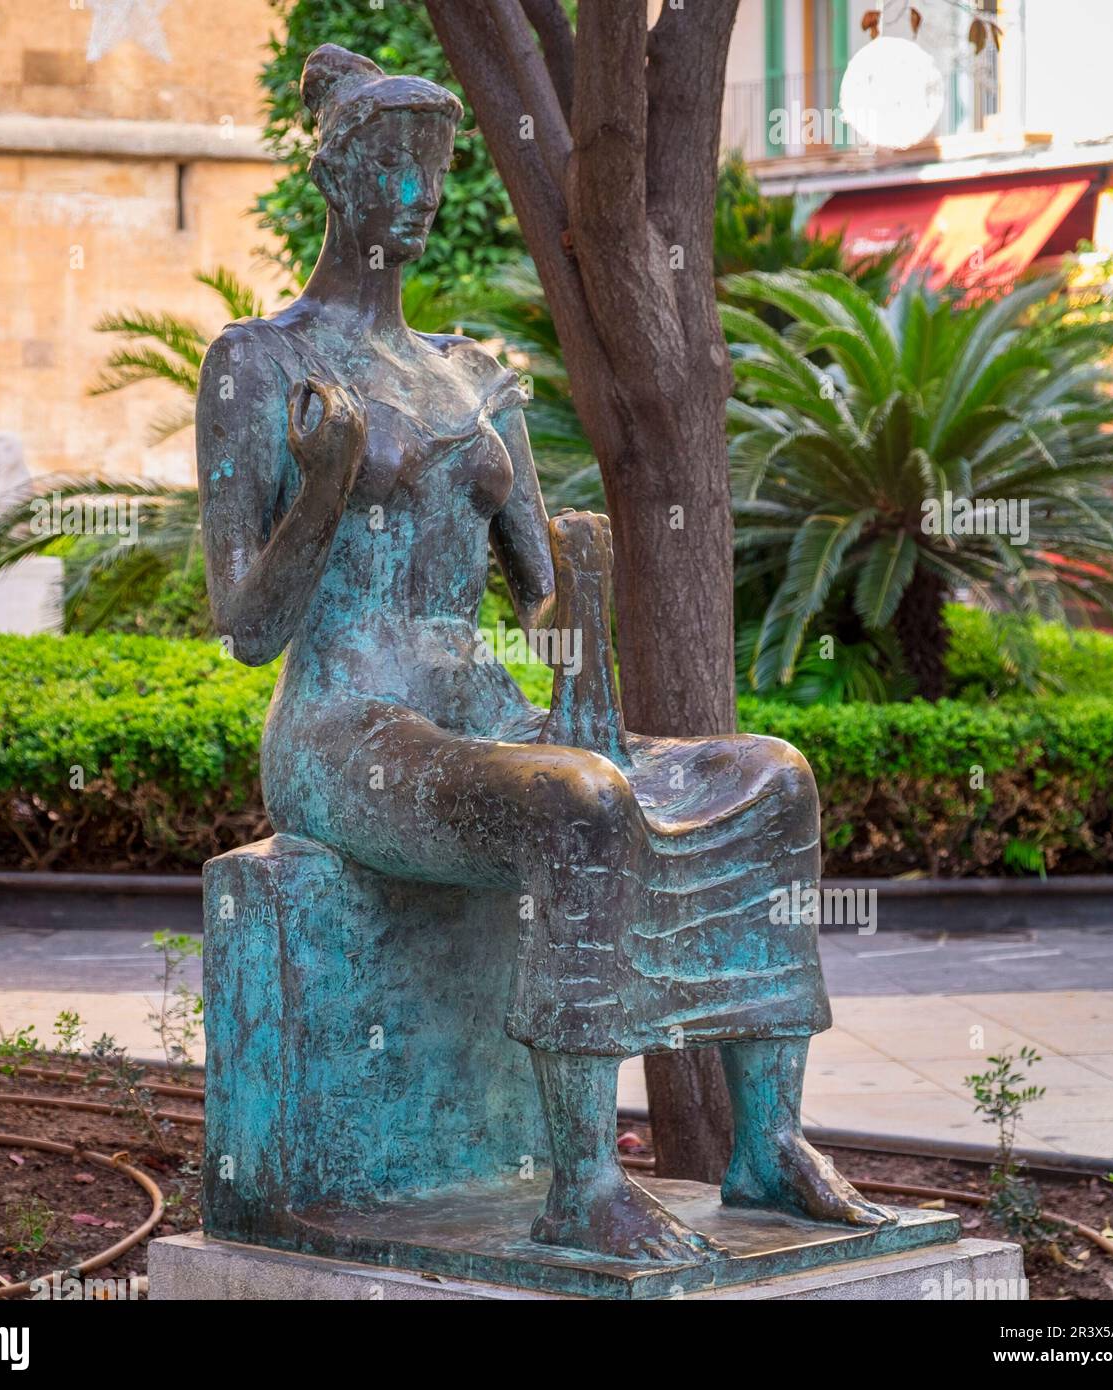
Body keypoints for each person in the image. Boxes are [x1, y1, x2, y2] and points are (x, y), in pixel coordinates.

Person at [197, 43, 892, 1265]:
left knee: (771, 775)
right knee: (576, 805)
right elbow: (249, 630)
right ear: (337, 179)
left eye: (432, 171)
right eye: (389, 171)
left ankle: (767, 1140)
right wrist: (320, 493)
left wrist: (580, 607)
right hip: (346, 733)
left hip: (482, 713)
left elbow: (536, 599)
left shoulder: (475, 378)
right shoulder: (261, 364)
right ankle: (583, 1184)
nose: (414, 198)